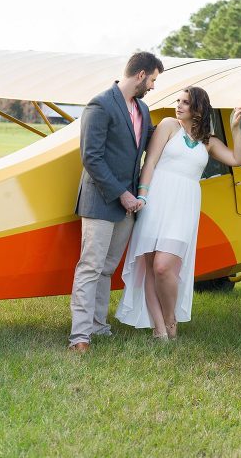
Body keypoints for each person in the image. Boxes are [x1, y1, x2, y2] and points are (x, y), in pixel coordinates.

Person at [115, 87, 241, 339]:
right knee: (151, 266)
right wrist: (143, 194)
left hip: (184, 205)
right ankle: (159, 330)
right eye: (179, 101)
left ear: (198, 108)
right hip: (156, 200)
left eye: (185, 103)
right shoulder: (167, 126)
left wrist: (236, 128)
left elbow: (239, 158)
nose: (179, 106)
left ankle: (170, 320)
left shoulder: (208, 141)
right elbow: (150, 161)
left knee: (165, 267)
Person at [68, 51, 164, 352]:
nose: (152, 86)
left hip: (128, 204)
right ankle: (79, 337)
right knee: (90, 266)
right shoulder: (100, 104)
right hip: (102, 200)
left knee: (107, 268)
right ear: (140, 74)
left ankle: (98, 326)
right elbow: (91, 158)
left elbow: (149, 142)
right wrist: (122, 194)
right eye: (152, 80)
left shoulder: (143, 109)